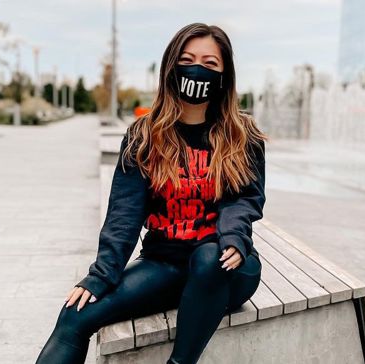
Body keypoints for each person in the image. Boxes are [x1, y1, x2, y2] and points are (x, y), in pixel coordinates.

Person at [36, 22, 267, 364]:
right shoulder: (145, 136)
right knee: (75, 314)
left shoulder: (242, 134)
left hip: (226, 268)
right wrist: (101, 276)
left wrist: (234, 237)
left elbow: (245, 198)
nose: (198, 70)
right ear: (171, 67)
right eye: (188, 60)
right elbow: (124, 214)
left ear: (224, 75)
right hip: (164, 265)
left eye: (210, 64)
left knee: (207, 257)